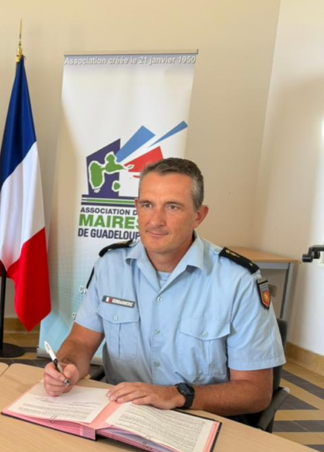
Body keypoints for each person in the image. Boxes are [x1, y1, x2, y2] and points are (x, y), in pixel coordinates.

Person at [44, 158, 284, 417]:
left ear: (198, 216)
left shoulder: (238, 281)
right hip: (121, 415)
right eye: (147, 205)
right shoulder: (111, 266)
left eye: (172, 207)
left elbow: (255, 392)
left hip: (198, 417)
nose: (156, 220)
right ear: (137, 207)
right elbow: (81, 341)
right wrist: (67, 367)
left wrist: (177, 394)